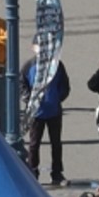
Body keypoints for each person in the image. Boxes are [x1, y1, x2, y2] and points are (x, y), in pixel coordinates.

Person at [22, 51, 71, 186]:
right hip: (36, 112)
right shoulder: (29, 65)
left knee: (56, 143)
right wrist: (29, 98)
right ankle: (33, 171)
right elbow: (22, 82)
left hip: (54, 110)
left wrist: (57, 98)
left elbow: (65, 84)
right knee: (34, 144)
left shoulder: (57, 65)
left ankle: (57, 173)